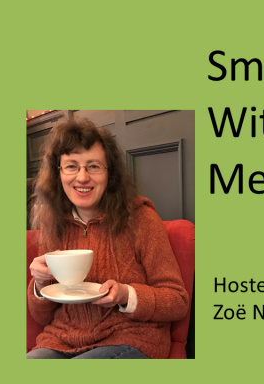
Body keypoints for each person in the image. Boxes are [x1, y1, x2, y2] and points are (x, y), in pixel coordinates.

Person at [27, 118, 189, 359]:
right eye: (71, 166)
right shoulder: (54, 223)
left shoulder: (140, 218)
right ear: (58, 173)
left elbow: (177, 300)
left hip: (130, 338)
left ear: (109, 173)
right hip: (60, 341)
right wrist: (40, 285)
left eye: (93, 166)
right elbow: (41, 316)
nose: (82, 178)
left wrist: (126, 295)